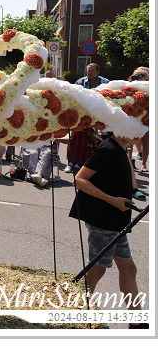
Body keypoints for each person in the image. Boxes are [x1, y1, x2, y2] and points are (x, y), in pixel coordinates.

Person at [69, 133, 145, 324]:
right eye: (136, 128)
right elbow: (79, 179)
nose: (141, 134)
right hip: (103, 219)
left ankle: (138, 322)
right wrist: (112, 200)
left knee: (129, 268)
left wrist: (133, 190)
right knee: (97, 269)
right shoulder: (108, 148)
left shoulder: (120, 148)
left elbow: (124, 174)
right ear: (120, 128)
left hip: (116, 221)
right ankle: (74, 310)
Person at [65, 63, 108, 174]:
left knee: (96, 139)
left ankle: (95, 164)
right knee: (75, 139)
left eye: (92, 70)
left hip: (99, 115)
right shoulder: (80, 82)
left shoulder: (105, 83)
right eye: (88, 70)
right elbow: (73, 97)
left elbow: (109, 98)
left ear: (98, 72)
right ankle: (71, 162)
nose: (89, 72)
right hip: (82, 115)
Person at [128, 67, 149, 172]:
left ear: (146, 77)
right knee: (130, 140)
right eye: (137, 75)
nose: (139, 78)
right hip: (133, 117)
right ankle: (129, 161)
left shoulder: (149, 87)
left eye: (141, 76)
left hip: (146, 117)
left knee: (146, 141)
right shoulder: (130, 86)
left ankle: (144, 164)